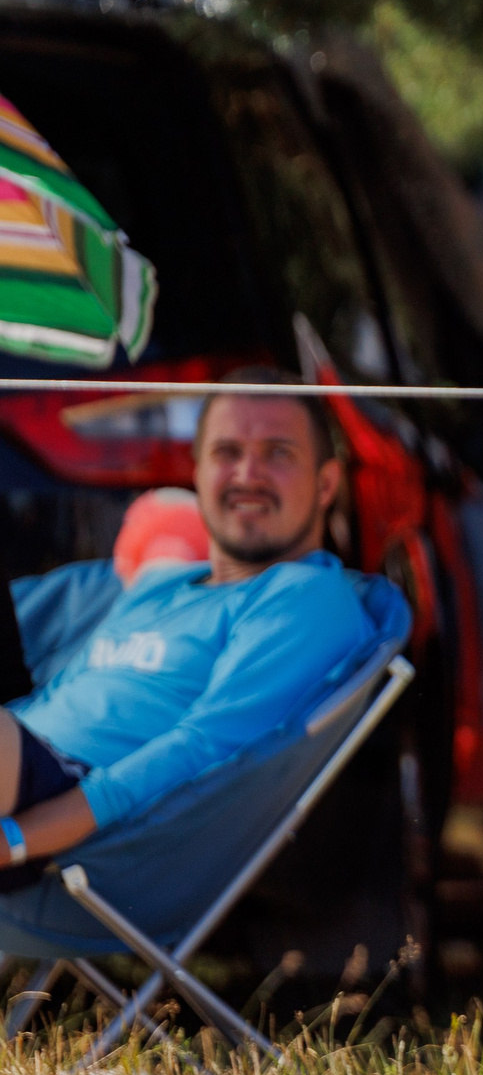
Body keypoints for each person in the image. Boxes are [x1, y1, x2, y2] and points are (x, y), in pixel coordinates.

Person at [0, 370, 385, 878]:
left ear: (326, 483)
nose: (248, 474)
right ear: (196, 473)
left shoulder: (304, 597)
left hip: (75, 818)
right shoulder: (161, 586)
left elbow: (204, 748)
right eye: (227, 452)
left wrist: (21, 838)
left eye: (278, 453)